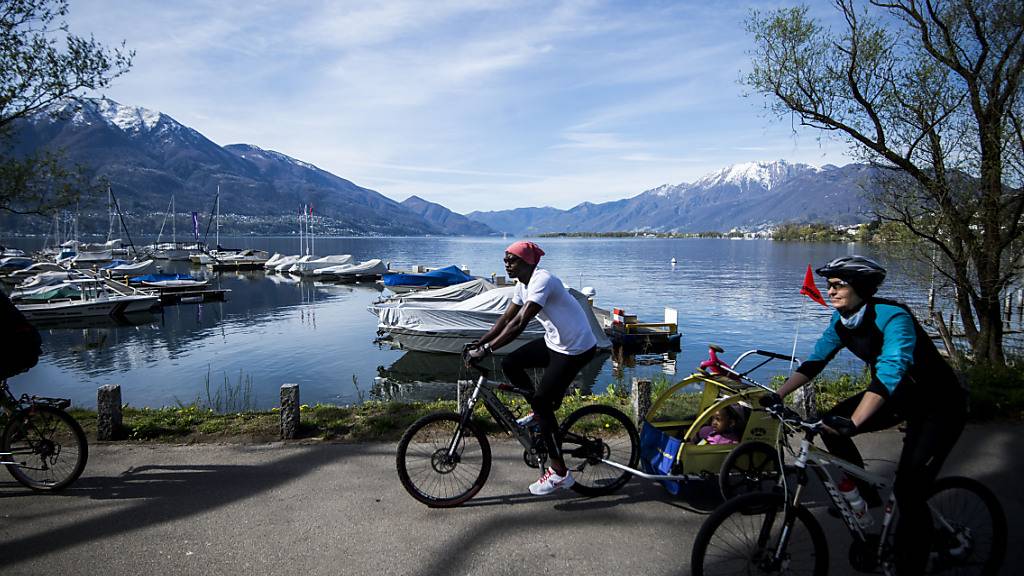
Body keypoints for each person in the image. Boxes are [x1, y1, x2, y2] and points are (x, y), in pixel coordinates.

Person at [761, 255, 967, 575]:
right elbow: (815, 362)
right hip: (898, 398)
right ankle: (866, 497)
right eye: (829, 286)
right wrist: (777, 394)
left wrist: (855, 422)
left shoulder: (893, 317)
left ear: (860, 287)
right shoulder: (841, 321)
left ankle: (911, 564)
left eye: (837, 285)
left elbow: (890, 372)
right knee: (829, 425)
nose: (830, 292)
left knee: (909, 492)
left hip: (938, 406)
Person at [466, 241, 597, 496]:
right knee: (510, 363)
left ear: (527, 262)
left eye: (511, 259)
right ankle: (538, 413)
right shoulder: (521, 284)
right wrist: (480, 342)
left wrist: (487, 350)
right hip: (555, 343)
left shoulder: (542, 280)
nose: (506, 263)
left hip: (576, 348)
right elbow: (506, 318)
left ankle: (559, 472)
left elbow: (520, 323)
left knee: (542, 402)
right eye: (505, 259)